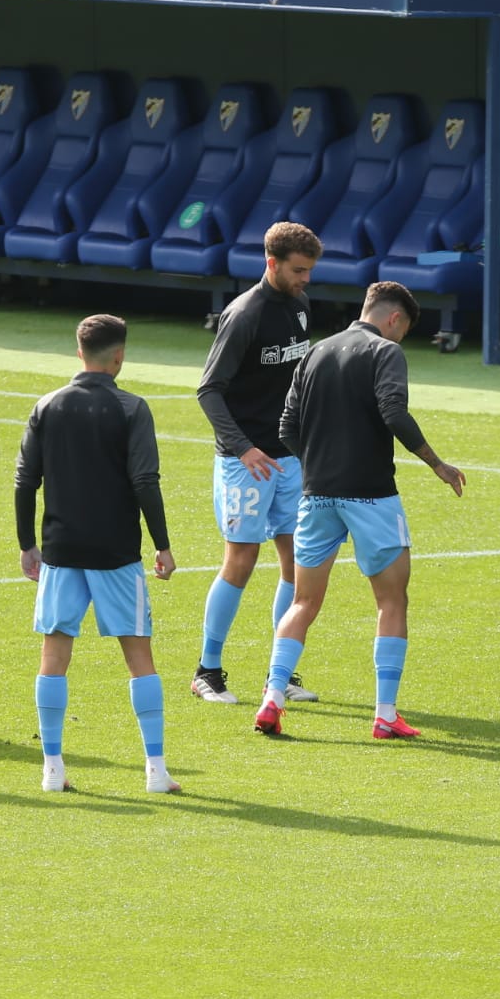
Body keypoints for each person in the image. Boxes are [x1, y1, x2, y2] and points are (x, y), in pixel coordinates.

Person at [256, 282, 466, 740]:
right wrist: (438, 464)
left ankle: (272, 697)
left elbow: (286, 426)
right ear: (394, 319)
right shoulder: (384, 353)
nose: (400, 340)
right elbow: (394, 412)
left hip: (316, 496)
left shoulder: (315, 353)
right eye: (404, 330)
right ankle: (385, 713)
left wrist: (318, 465)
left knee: (303, 602)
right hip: (371, 496)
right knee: (391, 601)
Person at [14, 315, 180, 794]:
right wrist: (162, 544)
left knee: (54, 654)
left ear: (79, 351)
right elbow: (145, 481)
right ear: (120, 356)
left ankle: (52, 768)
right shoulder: (132, 408)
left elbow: (26, 481)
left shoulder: (47, 405)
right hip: (116, 555)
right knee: (138, 656)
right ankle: (155, 770)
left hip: (62, 552)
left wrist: (28, 543)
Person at [191, 222, 321, 707]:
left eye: (309, 270)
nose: (305, 279)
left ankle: (279, 673)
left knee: (298, 563)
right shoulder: (244, 315)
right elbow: (209, 391)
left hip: (290, 459)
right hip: (246, 463)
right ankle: (207, 671)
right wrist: (243, 447)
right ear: (272, 263)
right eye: (298, 270)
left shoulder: (302, 306)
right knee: (241, 561)